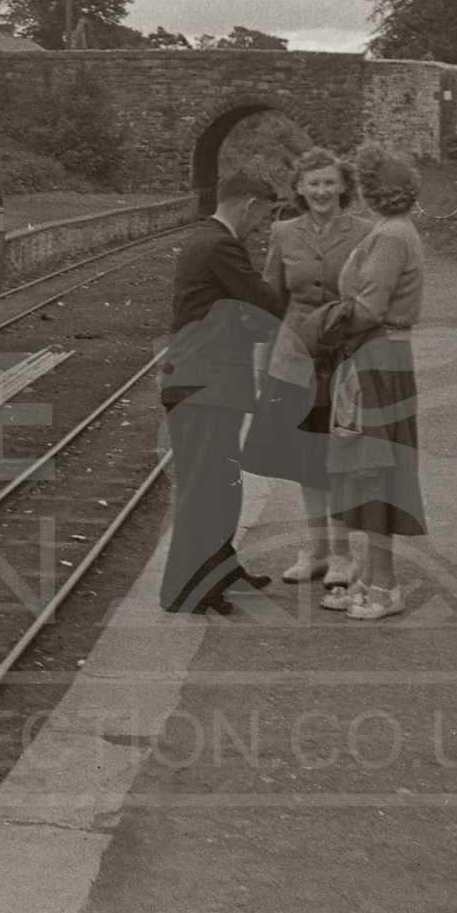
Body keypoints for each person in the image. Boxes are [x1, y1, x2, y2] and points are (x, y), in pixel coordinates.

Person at [241, 148, 372, 588]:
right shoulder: (283, 232)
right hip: (293, 359)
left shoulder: (365, 233)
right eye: (313, 183)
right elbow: (272, 301)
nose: (321, 191)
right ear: (298, 188)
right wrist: (262, 365)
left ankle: (342, 555)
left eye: (329, 182)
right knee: (306, 461)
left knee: (340, 459)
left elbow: (372, 301)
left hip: (343, 359)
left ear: (344, 187)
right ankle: (316, 551)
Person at [158, 171, 288, 615]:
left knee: (219, 484)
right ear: (248, 205)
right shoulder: (222, 246)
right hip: (205, 385)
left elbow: (229, 313)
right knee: (206, 488)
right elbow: (266, 304)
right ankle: (185, 589)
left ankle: (220, 568)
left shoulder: (203, 240)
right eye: (264, 216)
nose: (262, 226)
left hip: (203, 380)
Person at [315, 146, 427, 621]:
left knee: (375, 469)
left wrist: (319, 333)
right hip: (377, 356)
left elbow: (369, 308)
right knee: (365, 466)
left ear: (367, 190)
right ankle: (371, 575)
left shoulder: (389, 237)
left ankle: (385, 584)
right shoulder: (393, 231)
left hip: (376, 358)